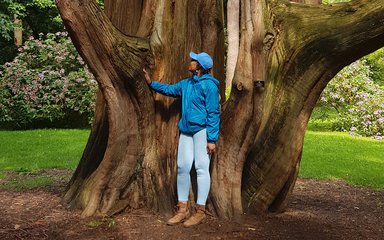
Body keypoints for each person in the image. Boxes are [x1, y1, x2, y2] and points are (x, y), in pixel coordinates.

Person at [143, 52, 220, 227]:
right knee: (183, 167)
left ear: (199, 66)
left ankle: (200, 212)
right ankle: (182, 210)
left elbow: (214, 113)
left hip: (202, 131)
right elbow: (170, 89)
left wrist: (212, 139)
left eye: (194, 60)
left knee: (201, 168)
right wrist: (151, 83)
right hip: (186, 130)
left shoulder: (210, 86)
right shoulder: (186, 84)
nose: (190, 62)